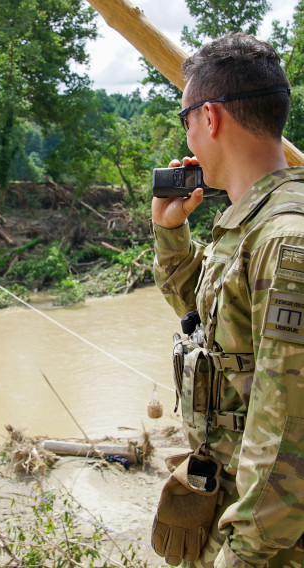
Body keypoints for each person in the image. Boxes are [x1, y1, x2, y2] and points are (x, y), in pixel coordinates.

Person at [151, 32, 304, 568]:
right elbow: (207, 317)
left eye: (185, 118)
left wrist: (243, 554)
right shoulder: (249, 223)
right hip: (233, 510)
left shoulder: (286, 239)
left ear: (209, 117)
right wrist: (170, 231)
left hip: (270, 544)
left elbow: (289, 427)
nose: (188, 136)